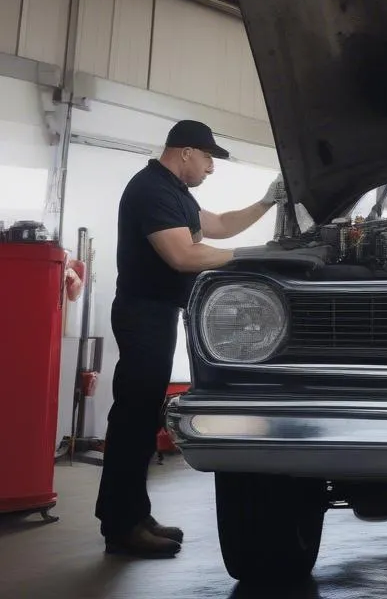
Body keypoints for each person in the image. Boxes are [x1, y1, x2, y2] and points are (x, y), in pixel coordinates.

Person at [95, 119, 285, 558]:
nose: (211, 169)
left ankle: (133, 514)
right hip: (143, 314)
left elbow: (217, 225)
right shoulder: (150, 190)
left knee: (143, 419)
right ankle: (120, 527)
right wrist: (257, 258)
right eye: (208, 159)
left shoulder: (175, 193)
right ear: (185, 152)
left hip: (157, 315)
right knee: (132, 419)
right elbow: (183, 255)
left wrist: (266, 203)